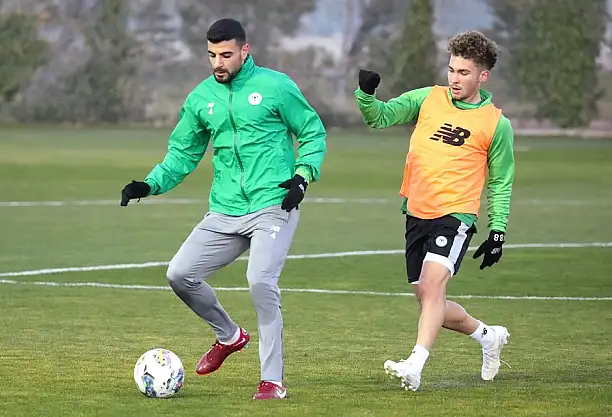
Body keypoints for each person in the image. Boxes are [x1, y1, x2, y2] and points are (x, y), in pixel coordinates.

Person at [120, 18, 327, 400]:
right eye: (212, 55)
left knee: (260, 281)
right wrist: (149, 184)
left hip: (273, 203)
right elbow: (182, 154)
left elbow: (312, 132)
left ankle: (272, 381)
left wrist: (302, 177)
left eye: (226, 54)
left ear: (245, 51)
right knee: (180, 274)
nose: (218, 62)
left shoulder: (276, 86)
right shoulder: (201, 98)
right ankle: (230, 336)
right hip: (225, 209)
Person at [353, 30, 514, 391]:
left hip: (456, 214)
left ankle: (415, 365)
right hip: (416, 212)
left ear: (483, 75)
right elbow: (380, 117)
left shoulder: (496, 124)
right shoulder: (428, 98)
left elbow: (501, 181)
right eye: (452, 70)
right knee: (429, 300)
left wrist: (498, 230)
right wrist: (366, 94)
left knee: (431, 286)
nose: (455, 78)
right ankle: (488, 336)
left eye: (464, 72)